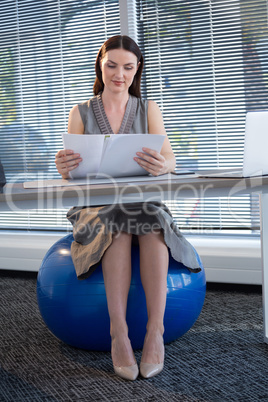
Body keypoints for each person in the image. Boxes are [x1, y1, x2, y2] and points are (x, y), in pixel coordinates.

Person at [55, 35, 200, 381]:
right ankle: (118, 333)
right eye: (112, 65)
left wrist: (162, 166)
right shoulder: (80, 112)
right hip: (96, 205)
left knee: (151, 220)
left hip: (141, 200)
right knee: (116, 226)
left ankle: (154, 333)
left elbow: (169, 159)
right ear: (100, 66)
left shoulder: (149, 109)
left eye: (128, 67)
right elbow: (68, 172)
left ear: (137, 71)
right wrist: (64, 167)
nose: (120, 74)